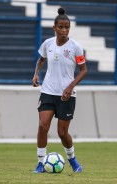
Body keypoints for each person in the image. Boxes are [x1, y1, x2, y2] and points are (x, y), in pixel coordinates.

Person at [31, 7, 87, 173]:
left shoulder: (76, 47)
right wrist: (35, 75)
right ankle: (41, 163)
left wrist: (70, 87)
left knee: (62, 133)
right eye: (61, 27)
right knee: (42, 126)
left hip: (66, 95)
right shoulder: (48, 43)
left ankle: (72, 160)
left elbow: (84, 70)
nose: (64, 30)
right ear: (54, 28)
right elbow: (41, 60)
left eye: (67, 27)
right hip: (48, 91)